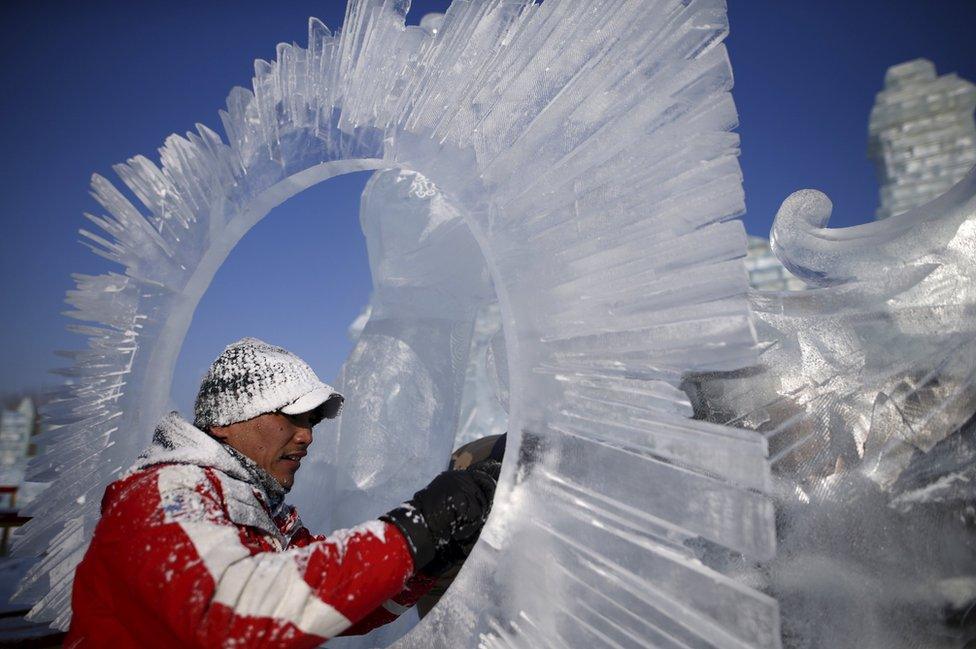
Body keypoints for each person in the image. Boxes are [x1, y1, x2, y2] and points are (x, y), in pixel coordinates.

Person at [65, 338, 499, 648]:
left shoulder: (261, 512)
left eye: (311, 421)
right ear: (226, 420)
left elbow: (343, 608)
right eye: (291, 417)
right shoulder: (166, 491)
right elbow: (230, 613)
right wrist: (420, 525)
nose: (306, 436)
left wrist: (432, 556)